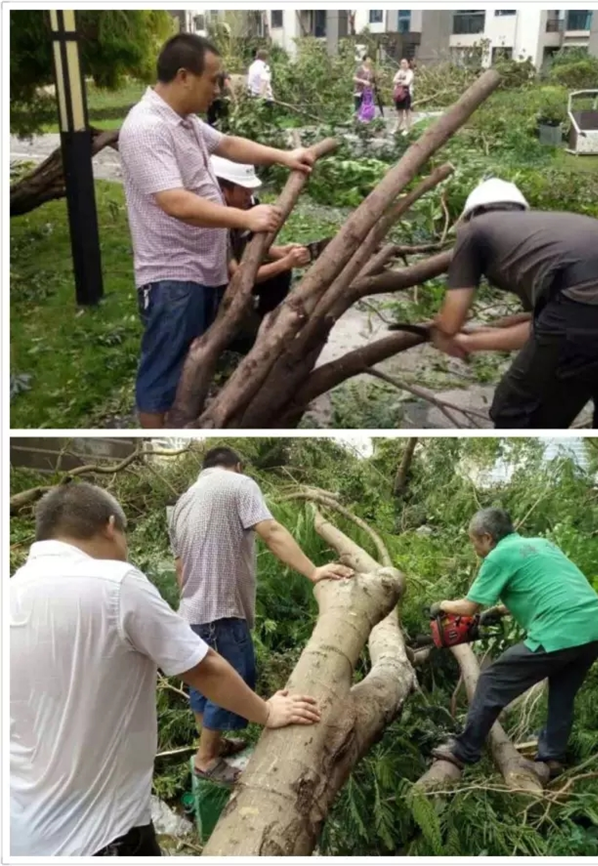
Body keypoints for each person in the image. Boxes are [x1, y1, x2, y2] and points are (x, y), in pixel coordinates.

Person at [10, 483, 322, 856]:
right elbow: (204, 668)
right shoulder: (115, 583)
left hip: (19, 832)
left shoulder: (11, 591)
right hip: (100, 835)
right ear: (111, 526)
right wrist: (268, 711)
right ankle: (209, 758)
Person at [118, 34, 315, 429]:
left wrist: (284, 156)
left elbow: (228, 144)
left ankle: (186, 423)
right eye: (214, 79)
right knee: (163, 376)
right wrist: (246, 219)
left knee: (194, 364)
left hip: (201, 271)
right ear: (184, 76)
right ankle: (161, 440)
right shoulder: (146, 127)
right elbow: (175, 202)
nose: (219, 87)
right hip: (173, 276)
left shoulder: (185, 122)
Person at [169, 447, 354, 784]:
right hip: (220, 610)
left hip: (191, 612)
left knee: (203, 680)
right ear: (237, 466)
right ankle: (207, 759)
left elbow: (179, 566)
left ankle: (212, 743)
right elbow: (271, 532)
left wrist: (193, 599)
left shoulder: (183, 501)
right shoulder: (239, 484)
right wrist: (313, 571)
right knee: (234, 677)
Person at [430, 508, 598, 777]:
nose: (475, 549)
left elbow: (467, 607)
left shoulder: (498, 556)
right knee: (562, 694)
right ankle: (552, 760)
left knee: (491, 680)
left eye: (474, 542)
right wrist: (498, 611)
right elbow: (547, 584)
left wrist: (440, 604)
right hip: (594, 629)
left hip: (559, 629)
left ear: (487, 538)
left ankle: (464, 750)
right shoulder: (542, 544)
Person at [428, 178, 598, 429]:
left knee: (515, 411)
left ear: (473, 212)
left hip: (586, 299)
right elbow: (546, 327)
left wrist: (445, 334)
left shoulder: (474, 229)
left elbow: (451, 322)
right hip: (591, 300)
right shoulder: (547, 229)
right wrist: (479, 337)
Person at [211, 155, 311, 350]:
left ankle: (262, 318)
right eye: (244, 191)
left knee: (280, 275)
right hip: (217, 290)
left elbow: (245, 242)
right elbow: (239, 277)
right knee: (251, 340)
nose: (249, 196)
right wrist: (286, 262)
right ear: (224, 192)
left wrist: (281, 252)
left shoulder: (242, 206)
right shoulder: (214, 225)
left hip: (234, 278)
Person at [392, 58, 414, 134]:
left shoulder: (410, 72)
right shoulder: (399, 72)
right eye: (401, 63)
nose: (403, 65)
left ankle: (408, 129)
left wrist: (399, 82)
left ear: (408, 64)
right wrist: (401, 81)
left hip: (407, 94)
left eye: (404, 63)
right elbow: (394, 80)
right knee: (399, 111)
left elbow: (407, 83)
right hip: (398, 94)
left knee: (407, 111)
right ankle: (397, 128)